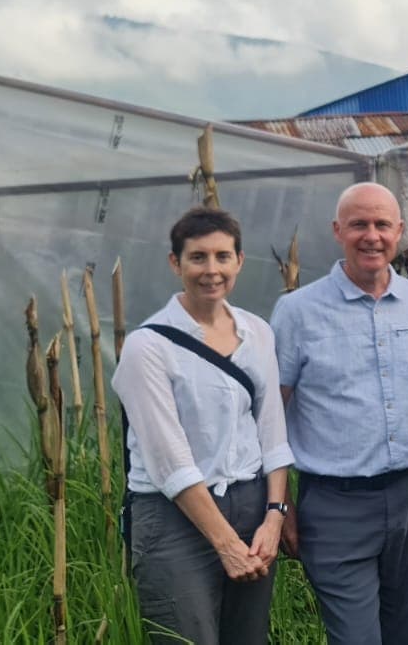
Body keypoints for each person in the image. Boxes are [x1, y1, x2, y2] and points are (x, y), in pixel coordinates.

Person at [270, 182, 408, 644]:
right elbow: (271, 412)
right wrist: (279, 503)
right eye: (359, 224)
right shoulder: (297, 312)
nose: (371, 236)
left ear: (399, 231)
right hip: (334, 504)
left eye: (382, 224)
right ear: (338, 231)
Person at [114, 206, 293, 644]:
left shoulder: (258, 333)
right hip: (174, 517)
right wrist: (226, 544)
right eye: (197, 257)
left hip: (251, 506)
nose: (211, 270)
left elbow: (272, 431)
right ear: (175, 263)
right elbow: (170, 462)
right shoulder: (147, 347)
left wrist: (274, 516)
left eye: (222, 256)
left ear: (239, 261)